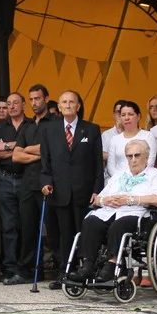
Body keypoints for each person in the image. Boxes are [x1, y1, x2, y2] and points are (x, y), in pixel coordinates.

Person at [67, 139, 157, 283]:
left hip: (137, 214)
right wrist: (106, 200)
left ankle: (111, 265)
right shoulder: (119, 175)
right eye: (129, 156)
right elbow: (97, 199)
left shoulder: (155, 175)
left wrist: (131, 200)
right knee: (90, 221)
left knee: (119, 225)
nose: (133, 160)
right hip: (110, 211)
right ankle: (87, 266)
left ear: (146, 157)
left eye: (137, 155)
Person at [40, 90, 103, 289]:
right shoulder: (49, 129)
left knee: (84, 233)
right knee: (63, 235)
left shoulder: (91, 129)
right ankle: (65, 273)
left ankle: (86, 271)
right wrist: (45, 182)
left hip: (85, 192)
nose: (67, 105)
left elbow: (97, 164)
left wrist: (97, 190)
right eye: (64, 102)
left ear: (78, 106)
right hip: (60, 191)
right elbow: (45, 161)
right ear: (59, 107)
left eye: (71, 102)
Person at [12, 84, 56, 283]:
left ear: (46, 99)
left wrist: (30, 150)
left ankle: (60, 270)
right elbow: (16, 156)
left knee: (53, 229)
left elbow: (54, 148)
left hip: (49, 183)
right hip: (28, 184)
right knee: (28, 229)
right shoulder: (27, 126)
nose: (34, 103)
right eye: (31, 99)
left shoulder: (55, 122)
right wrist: (41, 154)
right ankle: (27, 271)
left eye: (37, 98)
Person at [0, 92, 32, 284]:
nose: (12, 107)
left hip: (26, 179)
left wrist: (6, 147)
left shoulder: (31, 125)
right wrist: (19, 148)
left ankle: (26, 267)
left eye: (15, 103)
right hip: (6, 179)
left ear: (24, 105)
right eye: (9, 104)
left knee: (27, 225)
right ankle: (10, 267)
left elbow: (35, 148)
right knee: (9, 226)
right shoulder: (1, 126)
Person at [105, 101, 156, 180]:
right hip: (119, 181)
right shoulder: (115, 139)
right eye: (123, 115)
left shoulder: (148, 136)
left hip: (143, 180)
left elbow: (150, 162)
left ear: (138, 116)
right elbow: (111, 166)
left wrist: (135, 179)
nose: (126, 118)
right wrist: (122, 179)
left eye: (130, 114)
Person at [101, 100, 125, 179]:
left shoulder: (134, 132)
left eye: (123, 112)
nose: (120, 114)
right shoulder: (106, 134)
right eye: (118, 112)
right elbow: (100, 155)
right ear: (114, 115)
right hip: (110, 179)